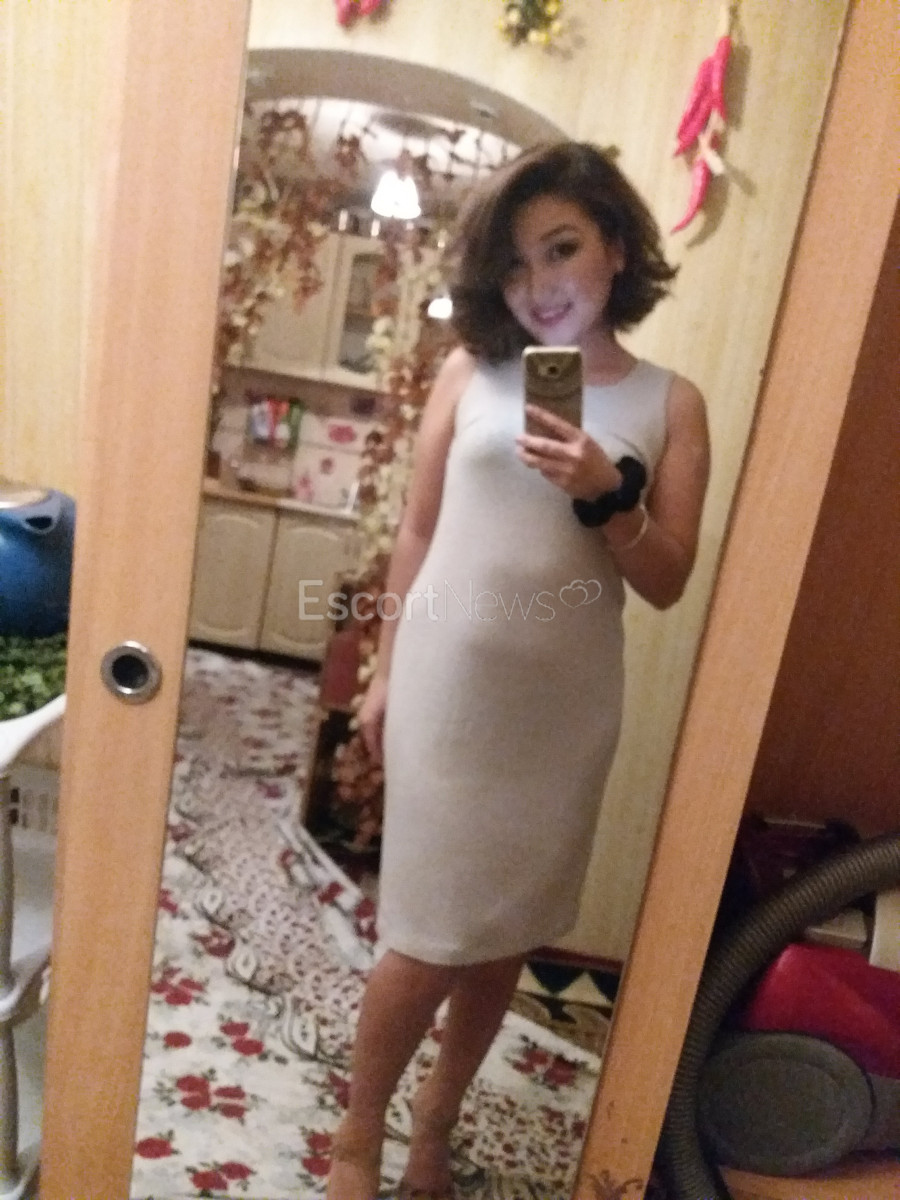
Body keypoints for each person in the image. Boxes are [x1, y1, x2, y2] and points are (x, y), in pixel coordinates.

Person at [325, 140, 710, 1200]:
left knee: (503, 940)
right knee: (425, 938)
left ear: (617, 247)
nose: (539, 285)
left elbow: (669, 579)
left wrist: (606, 493)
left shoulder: (672, 405)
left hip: (564, 716)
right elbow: (417, 530)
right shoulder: (469, 371)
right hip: (449, 697)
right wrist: (383, 671)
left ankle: (435, 1127)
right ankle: (357, 1136)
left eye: (562, 249)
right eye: (514, 264)